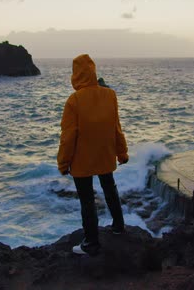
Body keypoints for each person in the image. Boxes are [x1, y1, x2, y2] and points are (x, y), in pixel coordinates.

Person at [57, 54, 129, 256]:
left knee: (87, 200)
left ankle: (91, 242)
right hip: (105, 156)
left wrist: (63, 163)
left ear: (76, 74)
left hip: (82, 161)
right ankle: (118, 226)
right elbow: (117, 128)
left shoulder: (74, 101)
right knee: (110, 188)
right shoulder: (110, 94)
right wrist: (121, 152)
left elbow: (68, 137)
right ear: (93, 71)